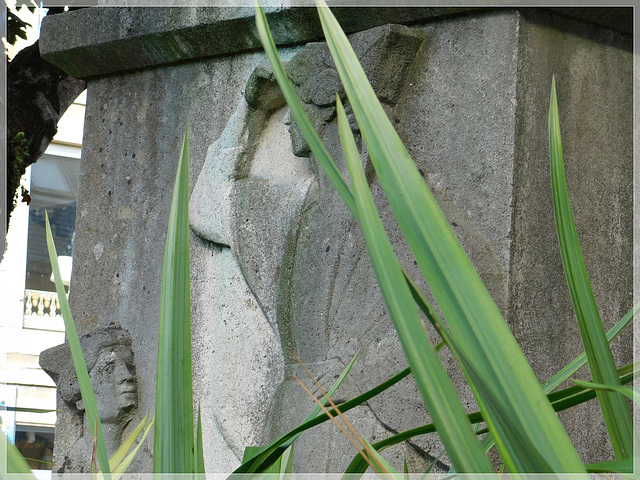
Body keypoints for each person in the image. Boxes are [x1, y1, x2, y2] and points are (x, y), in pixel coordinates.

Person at [40, 324, 137, 469]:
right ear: (81, 397)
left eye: (129, 366)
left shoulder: (145, 454)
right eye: (109, 369)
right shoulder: (71, 469)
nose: (127, 376)